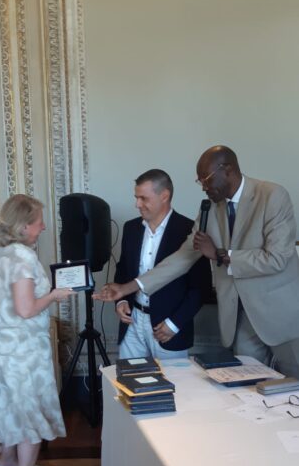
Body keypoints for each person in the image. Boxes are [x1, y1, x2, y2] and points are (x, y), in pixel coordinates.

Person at [95, 145, 299, 377]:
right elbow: (182, 259)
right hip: (240, 319)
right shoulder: (209, 210)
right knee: (251, 383)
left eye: (206, 179)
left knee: (294, 382)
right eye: (199, 181)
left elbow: (276, 258)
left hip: (280, 314)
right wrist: (127, 288)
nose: (203, 186)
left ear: (227, 169)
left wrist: (220, 254)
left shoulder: (272, 195)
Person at [0, 194, 73, 466]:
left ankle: (8, 461)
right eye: (38, 222)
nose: (43, 227)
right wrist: (55, 295)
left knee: (10, 405)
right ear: (23, 226)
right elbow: (26, 309)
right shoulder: (22, 257)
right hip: (22, 350)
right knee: (29, 409)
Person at [115, 169, 211, 360]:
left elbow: (201, 288)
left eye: (143, 198)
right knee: (129, 378)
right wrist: (121, 301)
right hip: (132, 323)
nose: (137, 204)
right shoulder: (130, 228)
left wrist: (174, 324)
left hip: (169, 330)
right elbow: (123, 269)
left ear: (164, 196)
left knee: (172, 380)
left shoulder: (190, 231)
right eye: (136, 198)